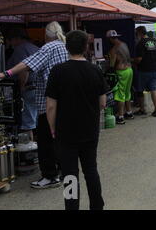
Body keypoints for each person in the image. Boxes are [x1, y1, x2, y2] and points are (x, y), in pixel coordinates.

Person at [0, 21, 68, 189]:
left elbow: (27, 64)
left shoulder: (48, 47)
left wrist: (6, 73)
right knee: (59, 139)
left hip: (48, 102)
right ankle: (62, 171)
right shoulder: (63, 47)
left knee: (44, 140)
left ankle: (50, 177)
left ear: (46, 35)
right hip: (64, 101)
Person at [45, 30, 107, 210]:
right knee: (91, 171)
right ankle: (97, 206)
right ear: (86, 47)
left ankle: (72, 207)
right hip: (89, 130)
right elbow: (103, 102)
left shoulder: (57, 71)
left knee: (70, 175)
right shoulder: (95, 70)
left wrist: (53, 129)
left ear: (66, 48)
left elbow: (50, 106)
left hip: (65, 133)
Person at [6, 28, 39, 140]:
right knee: (38, 121)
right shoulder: (35, 48)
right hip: (38, 88)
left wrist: (21, 89)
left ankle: (29, 149)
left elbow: (23, 71)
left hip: (28, 88)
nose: (9, 43)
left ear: (16, 39)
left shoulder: (20, 49)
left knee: (27, 124)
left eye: (10, 40)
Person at [107, 30, 134, 124]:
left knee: (120, 93)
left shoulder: (113, 49)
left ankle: (121, 116)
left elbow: (112, 63)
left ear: (110, 38)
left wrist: (108, 62)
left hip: (122, 71)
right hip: (130, 70)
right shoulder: (124, 44)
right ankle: (129, 113)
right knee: (127, 92)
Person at [133, 27, 156, 117]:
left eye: (136, 33)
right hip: (154, 68)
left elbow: (139, 59)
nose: (136, 35)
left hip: (143, 70)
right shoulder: (155, 41)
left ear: (140, 33)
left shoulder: (140, 43)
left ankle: (142, 109)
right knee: (153, 89)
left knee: (140, 90)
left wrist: (132, 61)